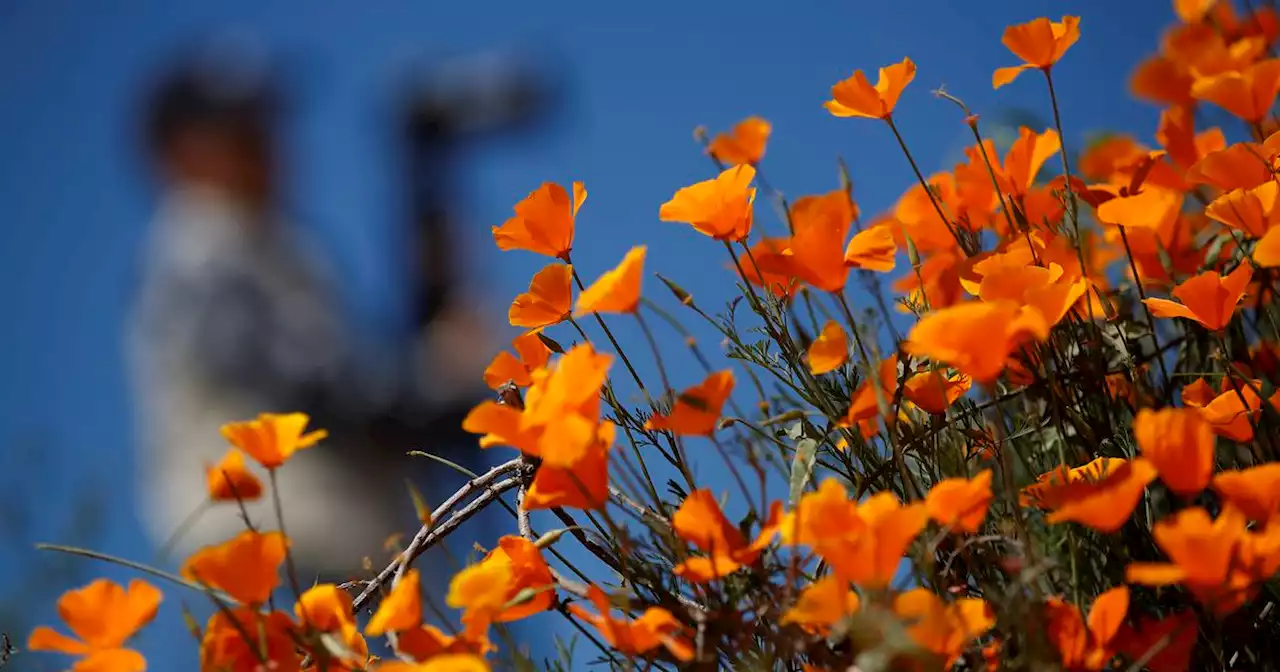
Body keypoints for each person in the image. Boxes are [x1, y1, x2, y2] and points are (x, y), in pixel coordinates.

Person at [126, 43, 497, 582]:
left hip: (343, 553)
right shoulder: (200, 249)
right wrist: (436, 390)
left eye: (265, 124)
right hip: (281, 561)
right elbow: (320, 395)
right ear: (175, 152)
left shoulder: (275, 249)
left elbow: (350, 385)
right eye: (237, 131)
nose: (266, 144)